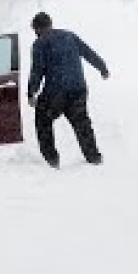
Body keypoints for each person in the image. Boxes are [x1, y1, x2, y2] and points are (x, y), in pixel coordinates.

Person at [26, 12, 109, 168]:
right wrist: (102, 68)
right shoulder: (69, 36)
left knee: (43, 120)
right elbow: (88, 53)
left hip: (56, 92)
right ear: (51, 24)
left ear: (37, 29)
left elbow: (37, 71)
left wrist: (31, 93)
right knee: (82, 122)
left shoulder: (39, 44)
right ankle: (94, 157)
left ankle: (51, 160)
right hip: (78, 89)